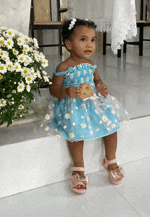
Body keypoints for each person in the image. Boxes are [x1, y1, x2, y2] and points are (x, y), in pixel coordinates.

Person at [40, 18, 129, 194]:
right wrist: (67, 92)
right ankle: (79, 167)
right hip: (73, 104)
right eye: (83, 39)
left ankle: (110, 161)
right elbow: (54, 89)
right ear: (68, 43)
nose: (89, 44)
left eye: (92, 40)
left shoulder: (91, 65)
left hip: (93, 101)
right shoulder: (63, 66)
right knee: (74, 129)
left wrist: (101, 88)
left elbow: (97, 80)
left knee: (111, 124)